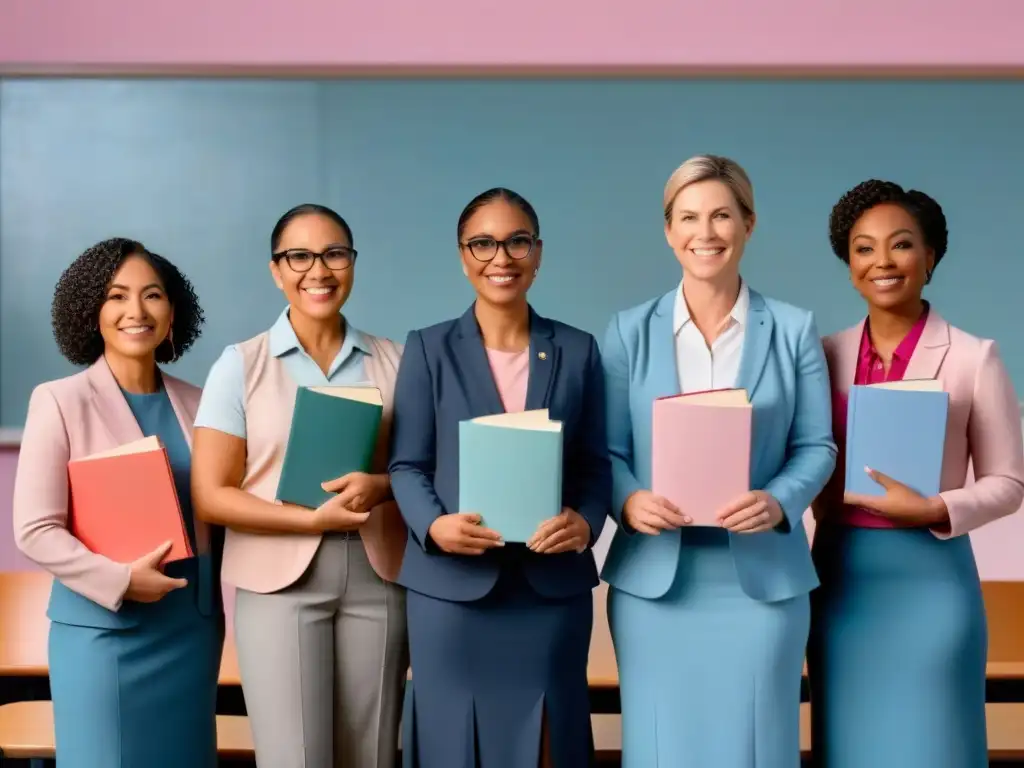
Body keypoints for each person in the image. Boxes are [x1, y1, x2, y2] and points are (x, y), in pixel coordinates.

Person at [600, 155, 836, 767]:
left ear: (749, 224)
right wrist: (627, 498)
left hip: (761, 586)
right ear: (669, 230)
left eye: (722, 216)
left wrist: (780, 501)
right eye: (689, 217)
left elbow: (817, 447)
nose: (705, 233)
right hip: (656, 586)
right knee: (660, 747)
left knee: (757, 745)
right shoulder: (627, 332)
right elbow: (607, 449)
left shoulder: (792, 328)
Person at [389, 187, 611, 767]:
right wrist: (435, 526)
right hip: (452, 595)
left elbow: (594, 464)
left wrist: (585, 523)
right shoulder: (428, 348)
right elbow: (406, 464)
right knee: (450, 744)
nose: (501, 257)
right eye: (483, 243)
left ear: (538, 253)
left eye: (517, 242)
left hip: (549, 593)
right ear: (462, 256)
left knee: (548, 744)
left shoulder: (579, 350)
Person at [807, 179, 1024, 767]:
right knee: (850, 746)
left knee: (933, 746)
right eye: (863, 248)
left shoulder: (975, 357)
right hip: (841, 579)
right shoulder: (821, 356)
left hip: (931, 578)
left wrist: (937, 507)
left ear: (931, 256)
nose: (882, 261)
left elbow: (1009, 483)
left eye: (901, 245)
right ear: (848, 264)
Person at [191, 204, 408, 767]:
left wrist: (380, 486)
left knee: (373, 753)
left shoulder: (395, 361)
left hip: (378, 574)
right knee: (295, 757)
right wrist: (309, 520)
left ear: (353, 263)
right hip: (276, 583)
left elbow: (419, 470)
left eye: (335, 254)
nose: (320, 270)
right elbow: (211, 494)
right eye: (300, 256)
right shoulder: (239, 366)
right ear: (276, 269)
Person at [12, 238, 220, 767]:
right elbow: (35, 529)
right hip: (104, 636)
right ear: (92, 312)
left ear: (173, 312)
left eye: (152, 295)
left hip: (190, 630)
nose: (136, 311)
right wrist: (123, 580)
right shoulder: (58, 400)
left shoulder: (201, 403)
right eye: (116, 296)